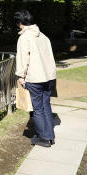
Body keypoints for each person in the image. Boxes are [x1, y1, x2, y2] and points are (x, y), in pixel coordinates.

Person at [14, 9, 57, 147]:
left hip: (35, 78)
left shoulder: (24, 38)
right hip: (48, 77)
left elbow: (23, 58)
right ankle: (50, 135)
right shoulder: (43, 36)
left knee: (37, 109)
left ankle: (44, 138)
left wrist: (21, 75)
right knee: (46, 106)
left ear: (20, 23)